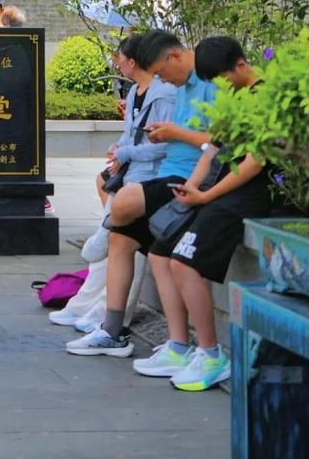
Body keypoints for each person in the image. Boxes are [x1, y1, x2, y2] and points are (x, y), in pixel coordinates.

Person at [65, 29, 216, 360]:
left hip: (185, 177)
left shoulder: (209, 85)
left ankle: (104, 228)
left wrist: (174, 133)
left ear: (173, 56)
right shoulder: (179, 86)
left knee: (125, 204)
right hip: (166, 174)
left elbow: (216, 142)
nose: (165, 81)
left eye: (163, 73)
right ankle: (114, 331)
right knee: (133, 246)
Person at [134, 35, 272, 391]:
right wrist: (193, 190)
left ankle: (211, 354)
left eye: (224, 79)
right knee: (163, 250)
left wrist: (206, 194)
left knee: (183, 261)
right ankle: (182, 347)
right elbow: (213, 149)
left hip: (245, 197)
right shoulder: (236, 96)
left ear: (241, 65)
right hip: (216, 190)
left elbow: (254, 164)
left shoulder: (266, 98)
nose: (220, 87)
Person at [51, 32, 175, 334]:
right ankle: (87, 308)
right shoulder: (135, 93)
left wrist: (126, 152)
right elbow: (131, 135)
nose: (116, 63)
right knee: (113, 246)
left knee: (118, 241)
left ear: (134, 61)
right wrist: (119, 149)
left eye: (119, 57)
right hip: (133, 174)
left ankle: (106, 316)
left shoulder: (166, 95)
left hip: (153, 178)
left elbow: (165, 145)